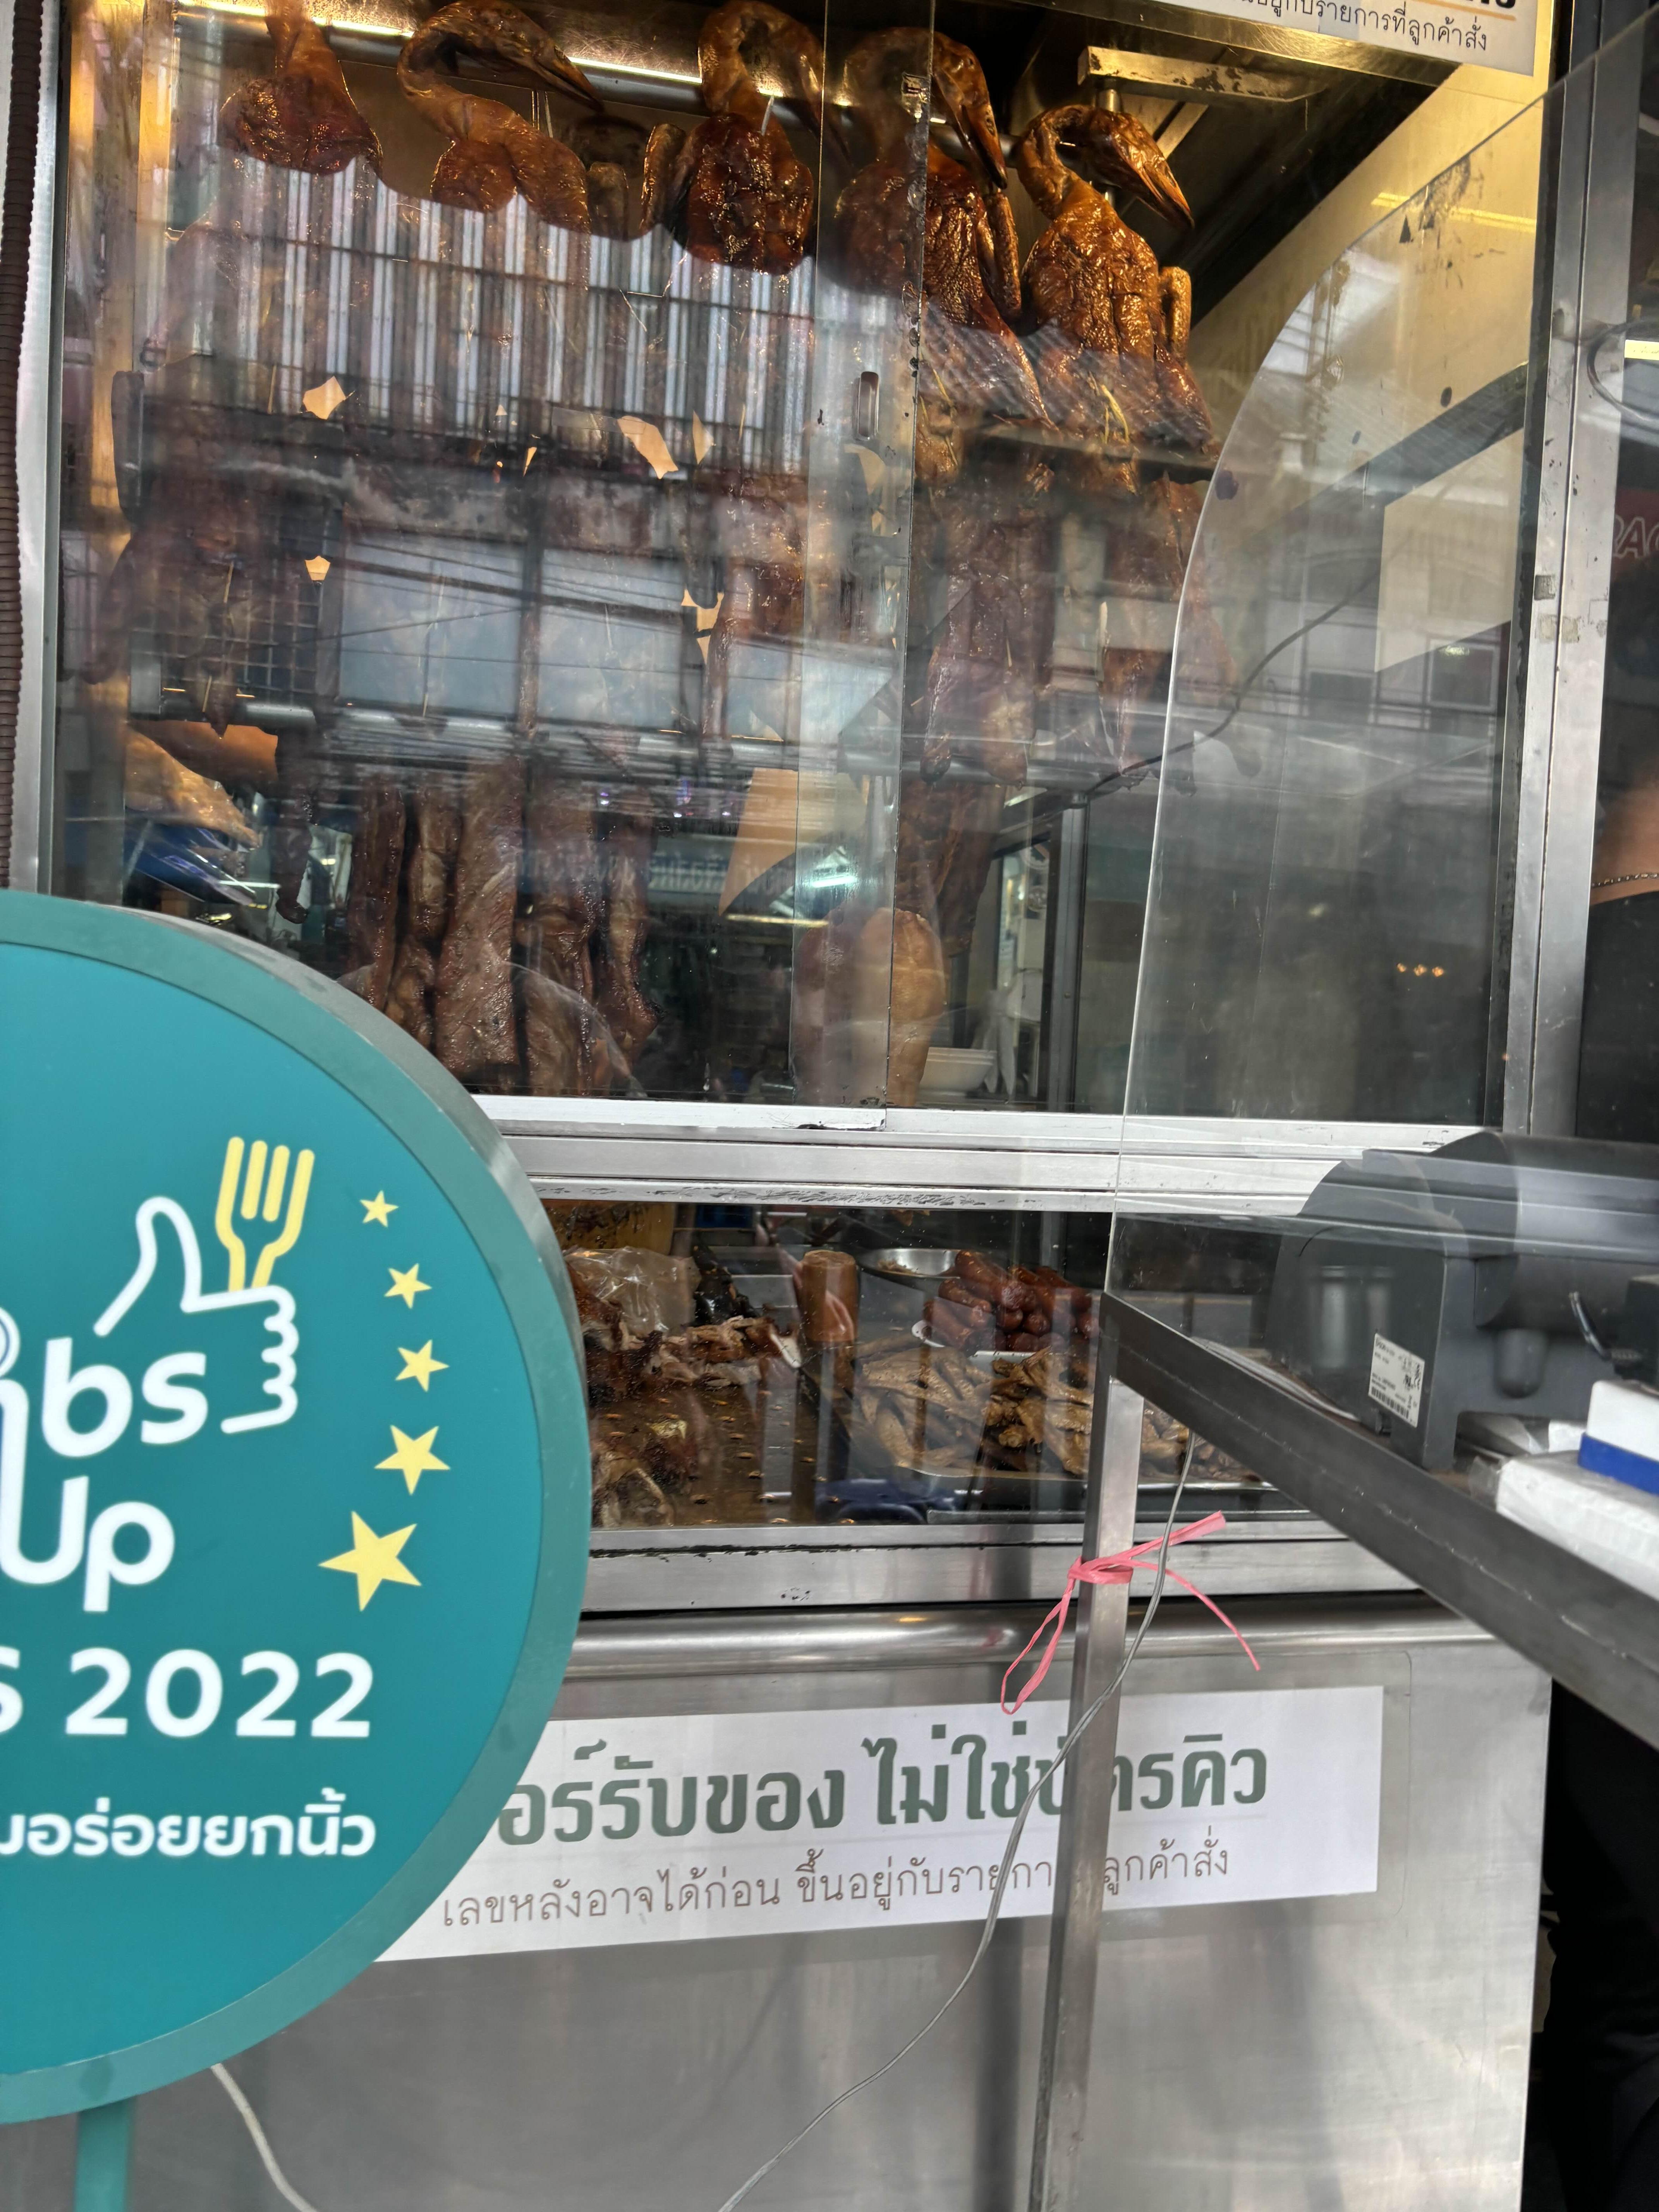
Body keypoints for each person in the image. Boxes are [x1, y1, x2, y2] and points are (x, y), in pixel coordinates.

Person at [1544, 551, 1659, 2208]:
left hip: (1569, 1485)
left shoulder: (1561, 940)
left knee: (1618, 1975)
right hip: (1616, 1499)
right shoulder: (1620, 958)